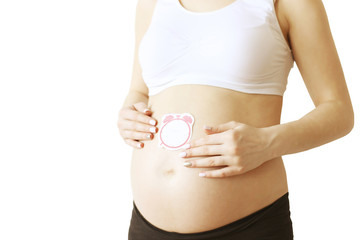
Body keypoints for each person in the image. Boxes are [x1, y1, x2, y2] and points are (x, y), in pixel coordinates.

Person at [117, 0, 354, 239]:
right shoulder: (152, 3)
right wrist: (129, 114)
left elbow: (338, 110)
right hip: (145, 226)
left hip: (247, 226)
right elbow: (139, 91)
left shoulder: (290, 3)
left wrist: (267, 142)